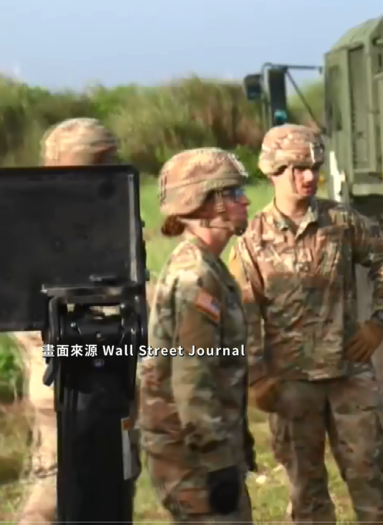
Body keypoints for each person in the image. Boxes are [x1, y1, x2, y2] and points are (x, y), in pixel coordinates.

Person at [228, 124, 383, 523]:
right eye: (296, 168)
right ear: (272, 171)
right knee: (307, 497)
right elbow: (244, 313)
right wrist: (257, 377)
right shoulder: (250, 240)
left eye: (314, 167)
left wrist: (379, 321)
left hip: (350, 376)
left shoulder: (342, 222)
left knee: (374, 486)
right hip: (290, 387)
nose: (308, 176)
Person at [12, 117, 139, 524]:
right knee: (55, 495)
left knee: (112, 490)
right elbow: (33, 321)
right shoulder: (38, 228)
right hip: (65, 385)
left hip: (109, 380)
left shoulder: (113, 221)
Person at [139, 147, 255, 523]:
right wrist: (219, 460)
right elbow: (192, 376)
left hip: (201, 446)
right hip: (191, 456)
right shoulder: (197, 277)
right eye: (235, 193)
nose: (246, 200)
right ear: (209, 204)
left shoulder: (207, 266)